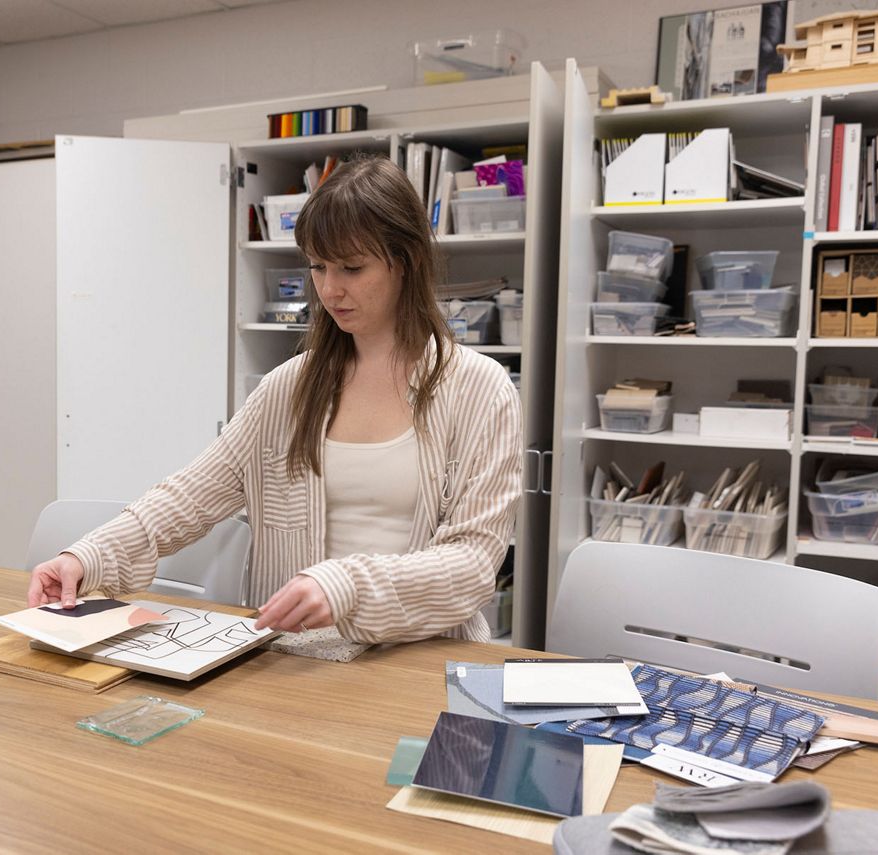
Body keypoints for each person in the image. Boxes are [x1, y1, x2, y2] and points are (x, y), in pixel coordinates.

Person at [27, 154, 522, 644]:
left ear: (407, 262)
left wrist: (344, 585)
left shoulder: (479, 389)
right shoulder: (288, 388)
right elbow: (189, 496)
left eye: (352, 268)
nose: (330, 289)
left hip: (419, 662)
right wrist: (88, 557)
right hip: (294, 658)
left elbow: (472, 561)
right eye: (318, 266)